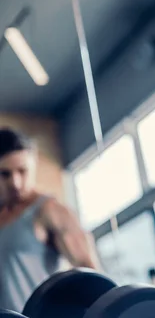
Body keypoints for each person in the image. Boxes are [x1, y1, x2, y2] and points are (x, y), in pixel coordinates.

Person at [0, 127, 100, 312]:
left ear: (33, 163)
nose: (15, 183)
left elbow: (93, 279)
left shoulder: (49, 210)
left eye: (22, 171)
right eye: (5, 174)